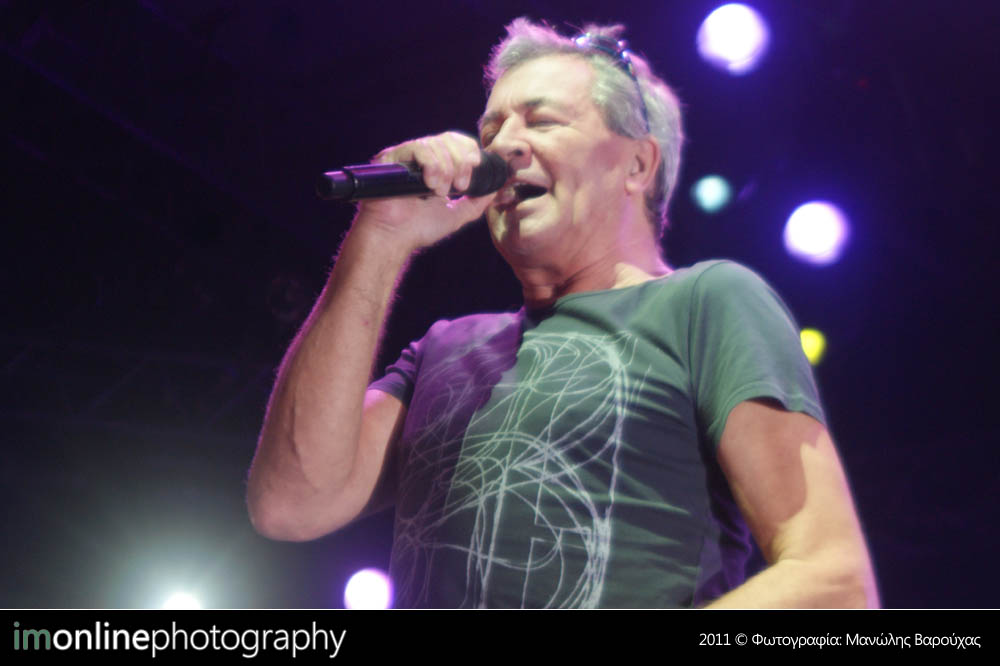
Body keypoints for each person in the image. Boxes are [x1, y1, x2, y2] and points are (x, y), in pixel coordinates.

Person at [247, 18, 878, 608]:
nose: (502, 147)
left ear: (637, 164)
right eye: (490, 132)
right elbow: (290, 502)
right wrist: (380, 235)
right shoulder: (445, 349)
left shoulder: (705, 302)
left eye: (542, 121)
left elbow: (832, 580)